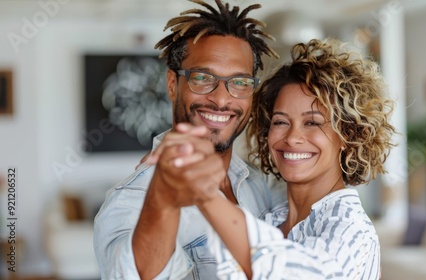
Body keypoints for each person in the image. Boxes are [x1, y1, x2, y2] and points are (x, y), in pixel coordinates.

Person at [170, 38, 397, 279]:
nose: (292, 137)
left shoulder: (352, 229)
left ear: (348, 135)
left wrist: (205, 195)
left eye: (312, 123)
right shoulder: (271, 219)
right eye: (280, 122)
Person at [93, 1, 286, 279]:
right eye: (203, 78)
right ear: (173, 85)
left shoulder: (261, 184)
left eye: (240, 83)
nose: (221, 99)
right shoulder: (131, 202)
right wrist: (163, 197)